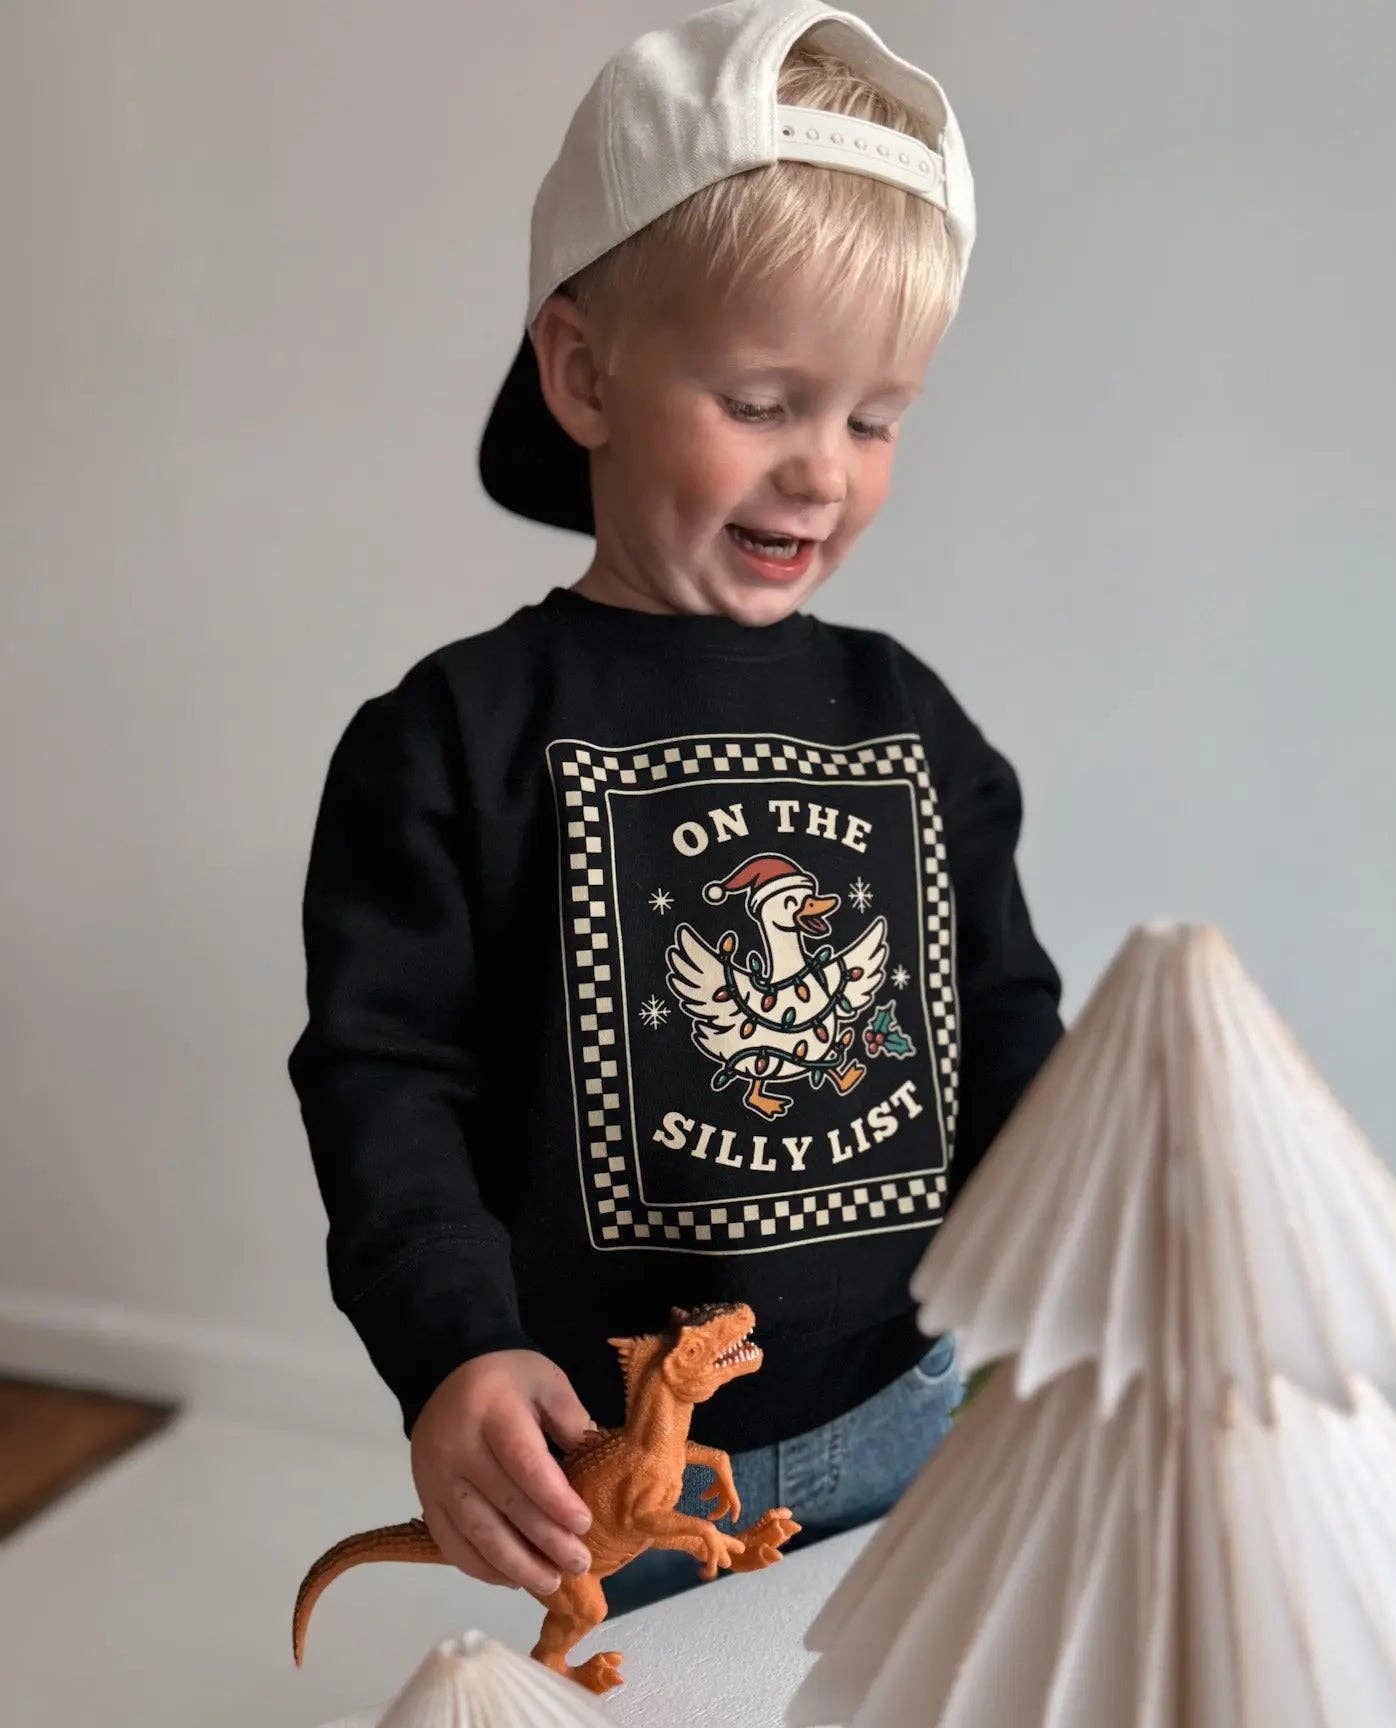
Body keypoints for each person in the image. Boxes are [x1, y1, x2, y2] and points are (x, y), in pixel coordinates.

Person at [287, 0, 1064, 1618]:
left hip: (918, 1413)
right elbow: (387, 1077)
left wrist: (1081, 1263)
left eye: (875, 417)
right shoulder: (450, 741)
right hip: (622, 1465)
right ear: (585, 372)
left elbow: (1005, 1022)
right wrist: (454, 1344)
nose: (823, 475)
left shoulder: (915, 722)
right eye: (764, 402)